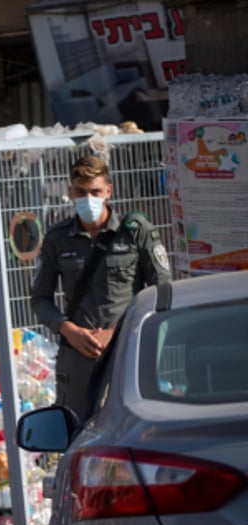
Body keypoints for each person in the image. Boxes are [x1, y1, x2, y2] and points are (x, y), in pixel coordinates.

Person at [31, 155, 171, 421]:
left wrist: (119, 331)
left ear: (108, 191)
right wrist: (68, 330)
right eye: (81, 192)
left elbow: (162, 289)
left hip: (129, 349)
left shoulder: (134, 231)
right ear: (70, 192)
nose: (89, 199)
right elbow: (40, 298)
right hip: (79, 357)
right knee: (77, 435)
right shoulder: (57, 239)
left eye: (95, 191)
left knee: (136, 427)